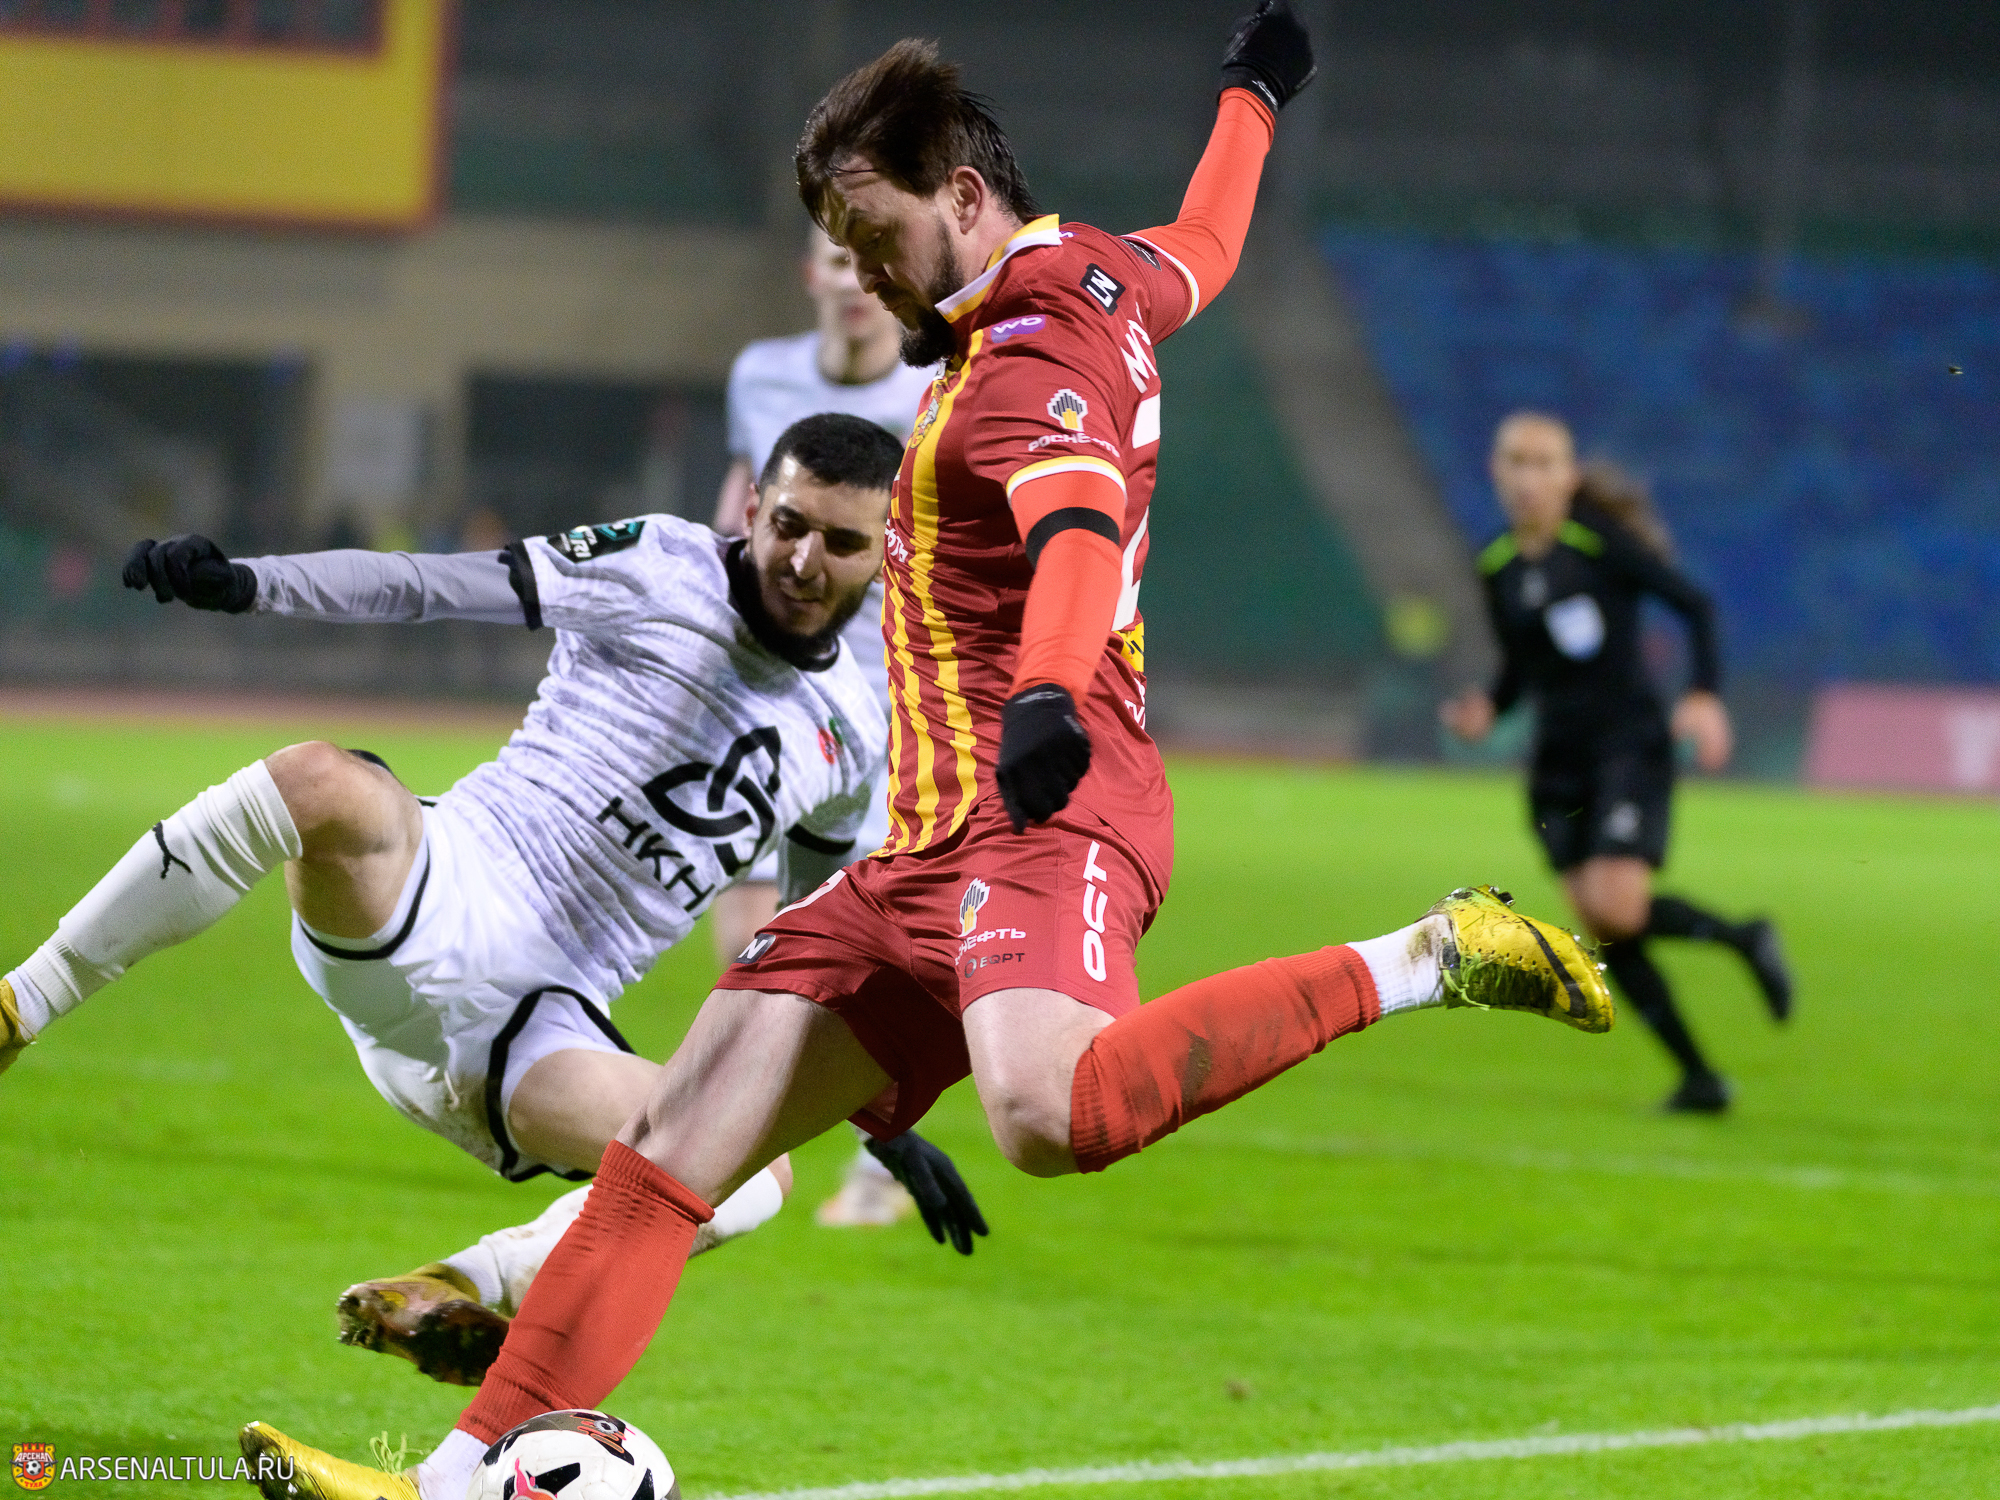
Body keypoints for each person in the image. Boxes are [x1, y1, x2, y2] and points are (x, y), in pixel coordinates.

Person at [241, 11, 1614, 1498]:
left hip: (1049, 806)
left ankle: (1427, 955)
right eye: (839, 243)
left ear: (960, 193)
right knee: (673, 1147)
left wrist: (1044, 698)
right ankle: (453, 1479)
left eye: (875, 234)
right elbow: (1209, 242)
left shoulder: (1022, 366)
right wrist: (1253, 94)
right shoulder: (1103, 278)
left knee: (1048, 1115)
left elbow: (1076, 527)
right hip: (919, 845)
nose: (864, 271)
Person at [0, 414, 985, 1389]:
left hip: (536, 1039)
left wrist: (879, 1125)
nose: (804, 561)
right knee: (318, 780)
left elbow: (808, 955)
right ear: (754, 507)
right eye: (788, 524)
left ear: (887, 552)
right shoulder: (658, 564)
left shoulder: (856, 733)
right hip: (443, 884)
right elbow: (431, 585)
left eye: (840, 541)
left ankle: (456, 1287)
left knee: (754, 1173)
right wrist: (253, 583)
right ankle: (22, 1004)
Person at [1440, 411, 1793, 1113]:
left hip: (1627, 747)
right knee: (1606, 927)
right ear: (1495, 472)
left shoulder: (1598, 543)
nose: (1529, 478)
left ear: (1568, 476)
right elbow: (1521, 663)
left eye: (1544, 463)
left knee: (1616, 907)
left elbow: (1694, 605)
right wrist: (1490, 708)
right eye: (1516, 462)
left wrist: (1703, 694)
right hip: (1557, 763)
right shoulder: (1496, 563)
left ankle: (1742, 937)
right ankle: (1699, 1078)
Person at [710, 228, 939, 1232]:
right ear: (811, 275)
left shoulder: (935, 390)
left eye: (867, 261)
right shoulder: (760, 375)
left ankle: (877, 1153)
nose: (852, 281)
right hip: (767, 690)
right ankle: (738, 1133)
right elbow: (742, 503)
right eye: (834, 261)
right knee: (746, 926)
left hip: (882, 710)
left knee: (861, 945)